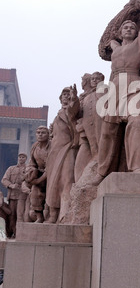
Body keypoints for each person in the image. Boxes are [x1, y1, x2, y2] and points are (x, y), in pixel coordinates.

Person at [92, 0, 140, 184]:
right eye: (126, 27)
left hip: (134, 83)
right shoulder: (114, 47)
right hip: (115, 86)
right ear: (121, 33)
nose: (130, 29)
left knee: (137, 122)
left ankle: (137, 167)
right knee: (108, 131)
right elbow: (107, 38)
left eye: (132, 27)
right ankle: (101, 171)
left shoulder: (139, 44)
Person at [45, 85, 80, 223]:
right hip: (55, 151)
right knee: (53, 183)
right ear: (60, 98)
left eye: (68, 94)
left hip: (68, 148)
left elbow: (73, 110)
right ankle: (53, 214)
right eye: (64, 94)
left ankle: (64, 214)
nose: (66, 96)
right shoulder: (58, 113)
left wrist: (74, 98)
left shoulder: (70, 110)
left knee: (67, 180)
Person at [25, 126, 50, 223]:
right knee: (35, 193)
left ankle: (51, 216)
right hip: (39, 174)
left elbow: (52, 165)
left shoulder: (52, 146)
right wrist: (30, 172)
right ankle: (39, 217)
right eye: (38, 132)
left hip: (51, 174)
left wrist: (39, 180)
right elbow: (32, 163)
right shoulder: (35, 146)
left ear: (48, 135)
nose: (40, 134)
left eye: (43, 132)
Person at [1, 153, 27, 237]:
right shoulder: (11, 169)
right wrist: (11, 185)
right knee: (11, 215)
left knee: (20, 215)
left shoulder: (28, 169)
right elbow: (4, 180)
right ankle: (11, 232)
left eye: (23, 157)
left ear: (25, 159)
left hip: (22, 196)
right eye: (20, 157)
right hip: (12, 196)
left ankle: (19, 234)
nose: (21, 158)